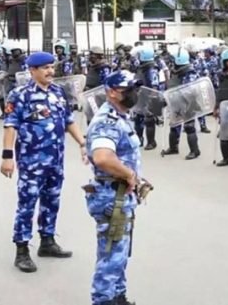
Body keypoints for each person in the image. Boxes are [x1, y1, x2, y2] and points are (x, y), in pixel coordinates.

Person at [0, 51, 87, 273]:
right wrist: (7, 157)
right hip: (31, 162)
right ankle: (21, 251)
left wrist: (82, 143)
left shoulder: (58, 92)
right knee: (27, 205)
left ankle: (47, 241)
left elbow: (68, 121)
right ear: (32, 71)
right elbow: (10, 125)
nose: (50, 71)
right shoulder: (20, 95)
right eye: (45, 68)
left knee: (52, 201)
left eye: (51, 67)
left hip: (55, 161)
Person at [84, 70, 140, 305]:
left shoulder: (121, 116)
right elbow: (103, 158)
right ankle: (103, 300)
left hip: (119, 194)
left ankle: (117, 296)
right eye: (128, 90)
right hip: (111, 196)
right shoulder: (107, 122)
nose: (133, 94)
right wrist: (129, 174)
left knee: (119, 252)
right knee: (111, 254)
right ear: (112, 93)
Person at [160, 48, 202, 160]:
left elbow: (191, 91)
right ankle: (173, 147)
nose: (171, 61)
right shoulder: (175, 71)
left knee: (189, 127)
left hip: (189, 104)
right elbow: (171, 86)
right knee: (174, 125)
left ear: (179, 60)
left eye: (173, 59)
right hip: (176, 102)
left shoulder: (190, 73)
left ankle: (195, 151)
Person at [133, 46, 160, 150]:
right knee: (137, 119)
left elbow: (154, 86)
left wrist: (152, 102)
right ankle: (139, 139)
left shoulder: (152, 69)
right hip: (141, 96)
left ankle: (151, 142)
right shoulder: (142, 67)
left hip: (149, 97)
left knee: (149, 120)